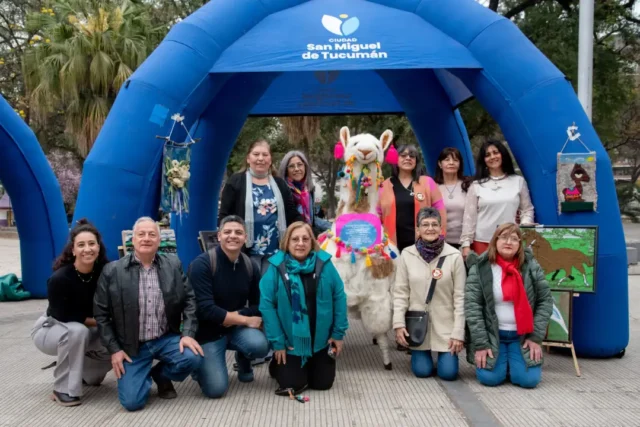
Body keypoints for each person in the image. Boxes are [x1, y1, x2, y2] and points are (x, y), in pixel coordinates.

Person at [94, 217, 203, 411]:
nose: (146, 238)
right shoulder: (112, 271)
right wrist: (114, 350)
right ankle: (140, 375)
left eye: (152, 234)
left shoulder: (173, 265)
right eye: (141, 234)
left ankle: (161, 374)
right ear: (132, 240)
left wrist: (187, 334)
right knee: (132, 403)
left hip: (164, 338)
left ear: (159, 240)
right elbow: (101, 315)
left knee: (193, 357)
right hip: (131, 346)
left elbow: (189, 301)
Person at [259, 222, 348, 395]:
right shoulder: (276, 267)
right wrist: (278, 343)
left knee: (323, 384)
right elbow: (267, 306)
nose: (300, 243)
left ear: (312, 242)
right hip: (290, 344)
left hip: (321, 342)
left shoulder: (324, 264)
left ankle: (310, 363)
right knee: (294, 384)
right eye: (295, 239)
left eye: (305, 239)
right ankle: (277, 364)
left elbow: (339, 297)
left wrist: (338, 334)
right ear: (287, 242)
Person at [31, 219, 112, 407]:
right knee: (77, 331)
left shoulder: (104, 272)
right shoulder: (60, 278)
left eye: (92, 244)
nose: (87, 249)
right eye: (81, 245)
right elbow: (62, 316)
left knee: (111, 342)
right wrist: (102, 322)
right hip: (52, 329)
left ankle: (82, 373)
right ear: (73, 250)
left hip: (87, 328)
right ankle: (63, 389)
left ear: (98, 247)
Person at [188, 215, 270, 398]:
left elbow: (258, 304)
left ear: (245, 238)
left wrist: (233, 317)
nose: (233, 236)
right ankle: (198, 368)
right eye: (227, 232)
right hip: (207, 333)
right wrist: (244, 319)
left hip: (235, 329)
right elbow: (205, 308)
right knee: (215, 390)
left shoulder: (250, 265)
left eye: (238, 232)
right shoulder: (202, 265)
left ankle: (243, 358)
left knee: (260, 345)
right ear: (219, 236)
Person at [465, 223, 552, 388]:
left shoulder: (531, 267)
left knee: (529, 381)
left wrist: (535, 337)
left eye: (514, 239)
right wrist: (481, 344)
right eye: (504, 237)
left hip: (522, 336)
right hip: (493, 335)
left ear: (520, 244)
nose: (509, 242)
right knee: (489, 379)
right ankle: (505, 363)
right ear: (495, 241)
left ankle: (512, 362)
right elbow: (473, 307)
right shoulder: (480, 267)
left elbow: (545, 300)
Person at [393, 208, 466, 380]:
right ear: (418, 230)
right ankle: (422, 357)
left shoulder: (454, 256)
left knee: (448, 373)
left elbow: (460, 297)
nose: (430, 228)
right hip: (418, 325)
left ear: (441, 228)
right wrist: (398, 323)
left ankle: (444, 358)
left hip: (446, 326)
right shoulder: (407, 254)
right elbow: (400, 292)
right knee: (422, 372)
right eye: (425, 224)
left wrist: (458, 332)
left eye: (434, 224)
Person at [218, 139, 303, 275]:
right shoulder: (236, 181)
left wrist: (308, 229)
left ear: (270, 160)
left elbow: (291, 213)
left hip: (277, 252)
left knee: (272, 291)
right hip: (246, 252)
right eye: (256, 154)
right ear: (248, 158)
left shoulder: (280, 184)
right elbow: (224, 216)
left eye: (265, 155)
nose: (260, 158)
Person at [460, 140, 534, 258]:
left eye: (495, 152)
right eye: (487, 155)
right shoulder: (476, 185)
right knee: (485, 276)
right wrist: (466, 244)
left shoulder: (518, 181)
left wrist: (523, 227)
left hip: (510, 242)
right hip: (482, 242)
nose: (492, 157)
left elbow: (527, 209)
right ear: (483, 160)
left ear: (503, 155)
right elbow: (469, 217)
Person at [379, 144, 447, 253]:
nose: (408, 158)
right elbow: (377, 216)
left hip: (424, 245)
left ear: (416, 161)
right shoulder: (383, 186)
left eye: (412, 156)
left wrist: (440, 237)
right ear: (395, 159)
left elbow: (440, 213)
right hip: (392, 247)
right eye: (403, 155)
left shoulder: (427, 182)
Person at [278, 150, 332, 236]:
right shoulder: (282, 191)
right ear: (286, 170)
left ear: (305, 167)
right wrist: (316, 234)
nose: (296, 169)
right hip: (291, 237)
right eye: (291, 166)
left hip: (308, 235)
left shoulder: (309, 190)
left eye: (299, 165)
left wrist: (332, 227)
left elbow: (312, 219)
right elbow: (292, 219)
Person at [434, 147, 471, 249]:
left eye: (455, 160)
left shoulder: (468, 185)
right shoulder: (432, 186)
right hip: (439, 243)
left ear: (460, 164)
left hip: (466, 244)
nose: (451, 163)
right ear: (440, 164)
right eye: (447, 160)